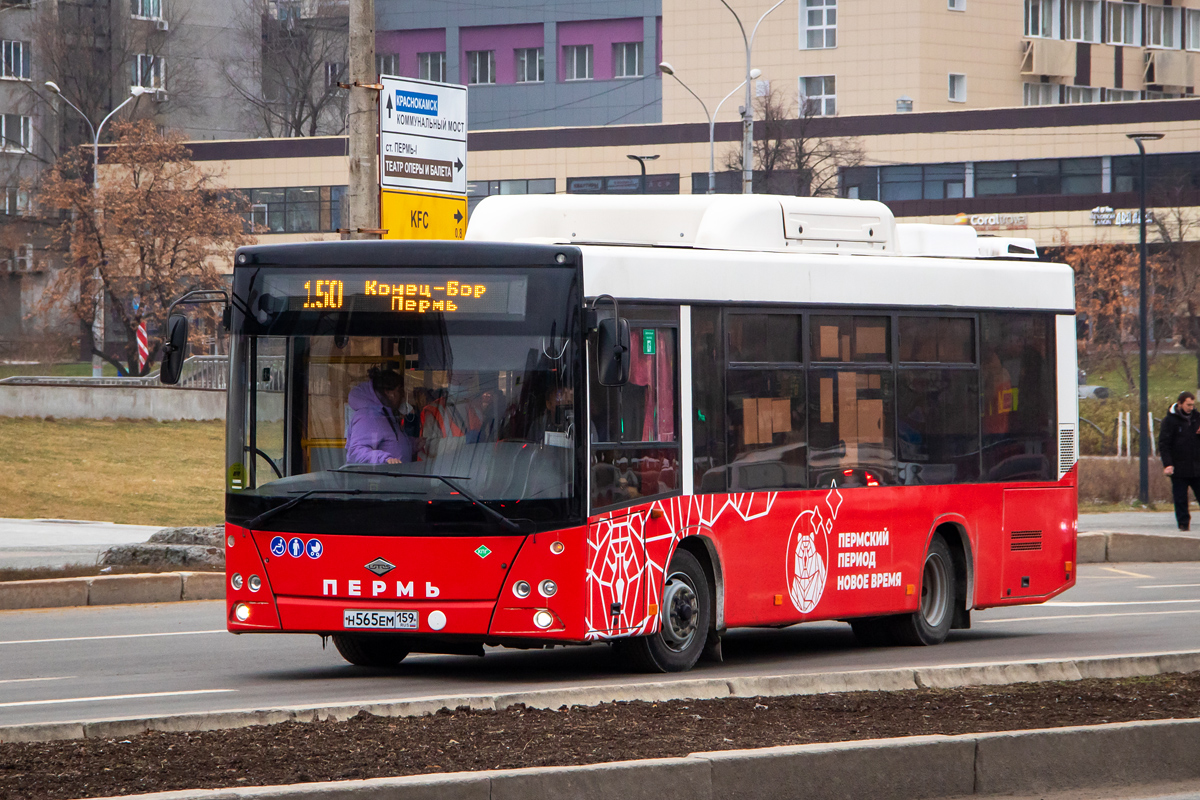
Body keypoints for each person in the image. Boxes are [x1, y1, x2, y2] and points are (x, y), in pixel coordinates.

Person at [345, 366, 414, 465]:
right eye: (400, 390)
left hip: (393, 476)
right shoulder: (367, 416)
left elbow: (391, 443)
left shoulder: (385, 415)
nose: (403, 396)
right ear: (389, 392)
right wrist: (384, 459)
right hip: (378, 478)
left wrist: (413, 444)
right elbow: (355, 453)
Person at [1158, 390, 1200, 531]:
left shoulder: (1197, 418)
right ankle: (1183, 524)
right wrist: (1168, 464)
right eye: (1188, 405)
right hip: (1179, 467)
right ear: (1180, 404)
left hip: (1197, 466)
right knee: (1180, 498)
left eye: (1193, 405)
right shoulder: (1170, 421)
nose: (1191, 408)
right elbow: (1164, 444)